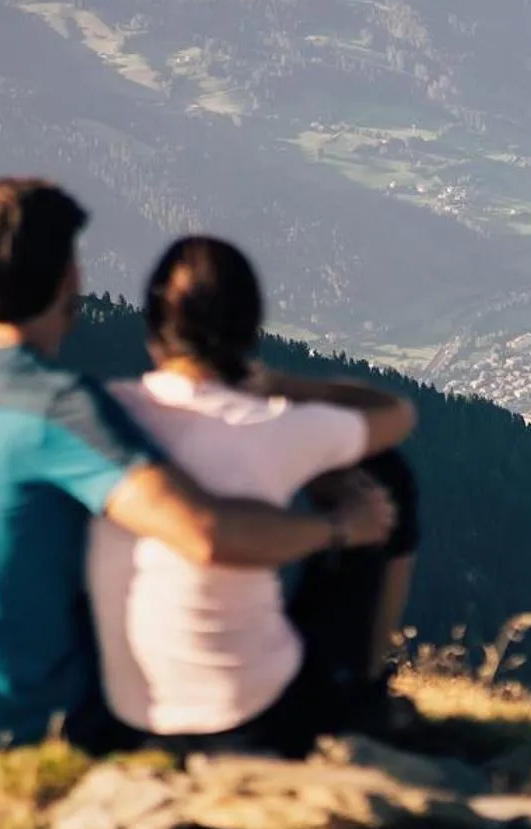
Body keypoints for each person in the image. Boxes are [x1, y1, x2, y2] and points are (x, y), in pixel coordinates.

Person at [0, 178, 405, 755]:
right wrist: (340, 528)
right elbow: (206, 532)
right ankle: (357, 699)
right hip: (21, 718)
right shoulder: (57, 408)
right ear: (68, 278)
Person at [89, 236, 421, 756]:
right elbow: (397, 415)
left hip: (127, 710)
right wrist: (283, 385)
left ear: (154, 327)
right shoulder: (271, 423)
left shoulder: (107, 412)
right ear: (249, 329)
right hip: (254, 718)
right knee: (383, 475)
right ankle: (363, 690)